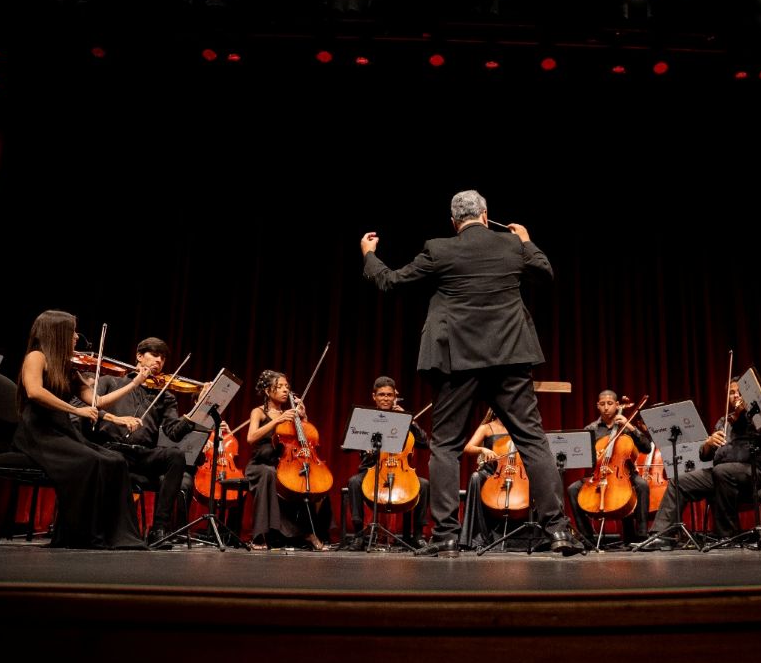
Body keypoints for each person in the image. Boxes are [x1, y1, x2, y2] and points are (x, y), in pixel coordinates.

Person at [360, 189, 581, 557]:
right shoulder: (513, 246)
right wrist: (526, 240)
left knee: (445, 446)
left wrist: (369, 255)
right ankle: (558, 531)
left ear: (454, 222)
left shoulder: (439, 248)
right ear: (486, 214)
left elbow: (391, 282)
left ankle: (446, 536)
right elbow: (545, 273)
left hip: (457, 362)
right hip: (510, 357)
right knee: (532, 441)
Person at [12, 310, 151, 549]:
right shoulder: (36, 356)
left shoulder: (67, 366)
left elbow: (96, 401)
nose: (76, 337)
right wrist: (76, 412)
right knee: (92, 461)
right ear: (57, 332)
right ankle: (82, 535)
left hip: (62, 429)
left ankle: (119, 537)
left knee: (115, 461)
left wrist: (134, 383)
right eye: (72, 331)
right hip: (38, 432)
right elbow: (35, 391)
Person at [83, 337, 209, 550]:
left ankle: (159, 528)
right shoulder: (110, 382)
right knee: (114, 459)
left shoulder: (165, 396)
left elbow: (173, 433)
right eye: (154, 355)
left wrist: (197, 411)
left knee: (175, 456)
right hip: (109, 449)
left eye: (163, 357)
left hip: (142, 454)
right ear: (139, 357)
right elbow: (90, 410)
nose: (159, 361)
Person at [639, 378, 761, 550]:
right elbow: (705, 457)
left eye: (740, 393)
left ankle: (728, 535)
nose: (736, 396)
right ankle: (662, 535)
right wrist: (708, 444)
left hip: (756, 472)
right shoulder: (724, 421)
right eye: (732, 393)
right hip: (721, 473)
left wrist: (753, 415)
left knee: (722, 471)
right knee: (679, 481)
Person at [244, 369, 332, 551]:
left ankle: (313, 531)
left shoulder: (290, 415)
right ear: (268, 391)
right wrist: (276, 421)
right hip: (260, 465)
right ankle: (261, 536)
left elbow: (305, 439)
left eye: (287, 387)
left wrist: (303, 417)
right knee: (269, 475)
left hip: (282, 465)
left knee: (310, 480)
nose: (285, 390)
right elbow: (251, 437)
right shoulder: (258, 412)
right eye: (280, 386)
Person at [343, 376, 431, 551]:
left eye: (389, 395)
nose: (385, 398)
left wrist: (410, 421)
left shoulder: (404, 420)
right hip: (370, 471)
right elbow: (346, 447)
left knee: (424, 485)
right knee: (354, 482)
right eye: (381, 395)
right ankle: (359, 535)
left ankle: (418, 536)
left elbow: (424, 443)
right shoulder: (366, 420)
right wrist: (364, 443)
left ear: (394, 397)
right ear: (374, 396)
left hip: (401, 471)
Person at [566, 390, 652, 546]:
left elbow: (646, 448)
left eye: (610, 403)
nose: (606, 407)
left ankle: (641, 536)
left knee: (642, 485)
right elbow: (581, 458)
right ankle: (587, 537)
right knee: (573, 489)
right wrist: (594, 457)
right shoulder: (590, 429)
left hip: (624, 474)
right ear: (597, 406)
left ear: (617, 405)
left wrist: (631, 427)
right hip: (598, 475)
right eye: (602, 404)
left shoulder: (626, 427)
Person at [459, 408, 510, 550]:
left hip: (513, 472)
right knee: (475, 477)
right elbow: (468, 447)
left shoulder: (517, 426)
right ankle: (476, 537)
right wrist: (483, 450)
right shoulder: (486, 428)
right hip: (491, 472)